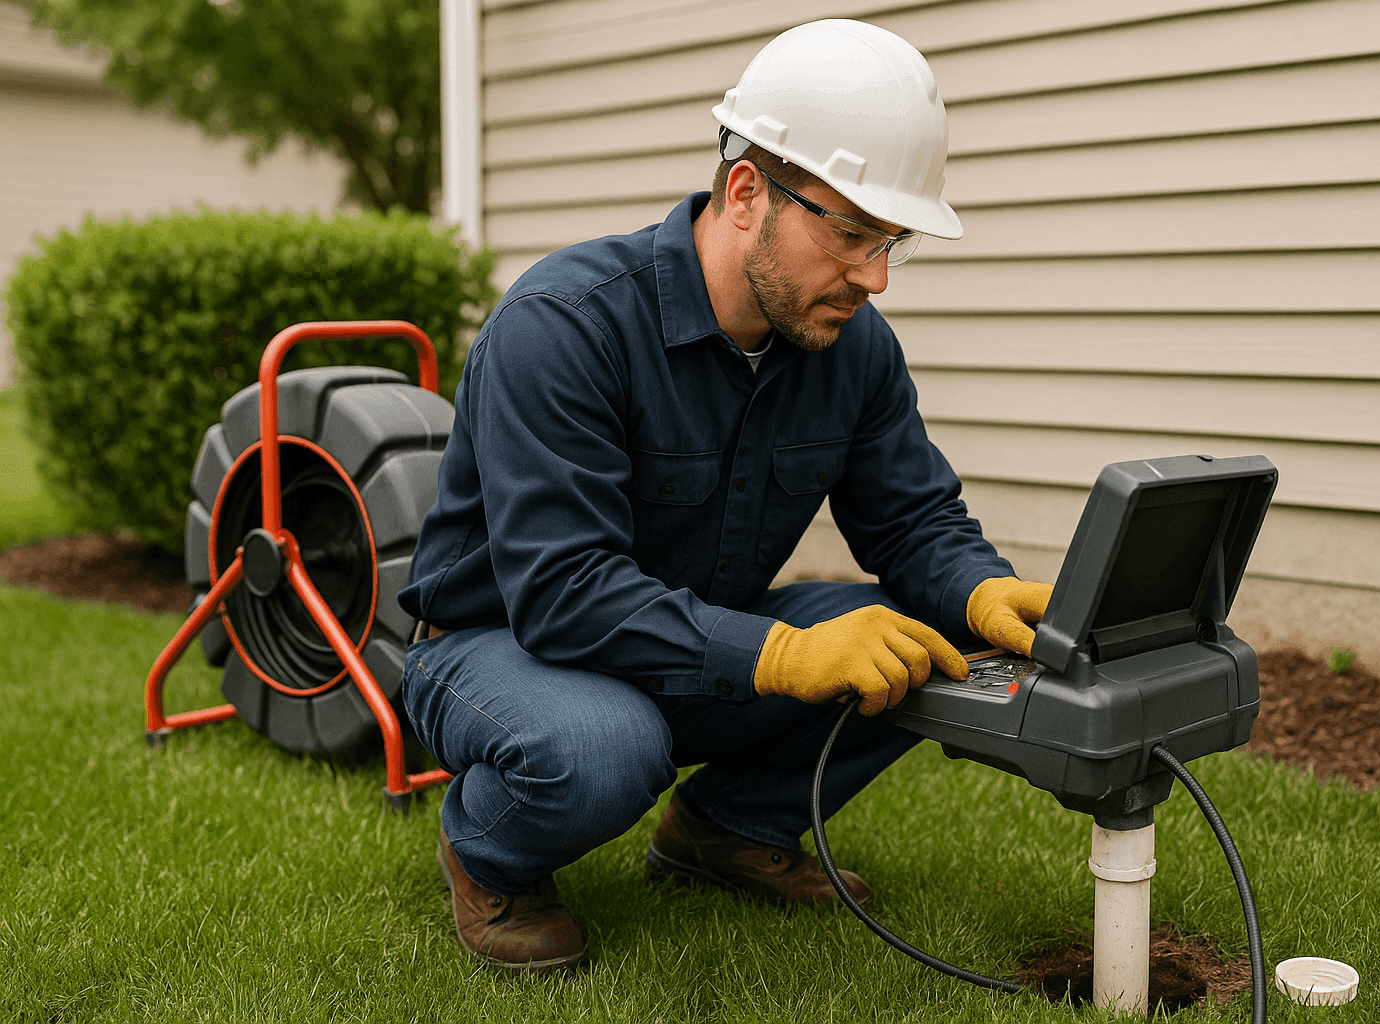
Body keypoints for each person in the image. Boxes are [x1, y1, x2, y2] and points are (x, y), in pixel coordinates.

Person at [398, 18, 1054, 975]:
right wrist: (783, 652)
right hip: (501, 650)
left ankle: (725, 829)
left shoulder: (850, 344)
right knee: (604, 743)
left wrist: (979, 595)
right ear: (747, 191)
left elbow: (914, 520)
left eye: (892, 241)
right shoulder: (564, 327)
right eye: (853, 234)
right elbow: (564, 594)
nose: (874, 276)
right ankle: (491, 855)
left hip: (691, 641)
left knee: (927, 635)